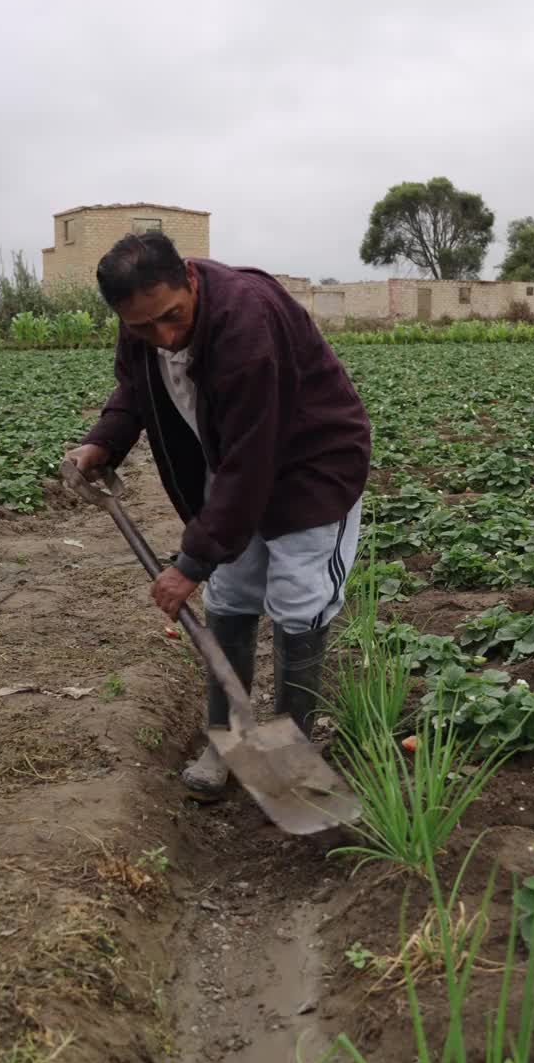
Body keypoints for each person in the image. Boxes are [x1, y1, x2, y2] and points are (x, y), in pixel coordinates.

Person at [66, 234, 371, 797]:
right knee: (230, 595)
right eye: (142, 327)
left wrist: (191, 561)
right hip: (232, 458)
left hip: (311, 468)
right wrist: (101, 443)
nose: (163, 337)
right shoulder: (142, 315)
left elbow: (255, 459)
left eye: (171, 318)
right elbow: (136, 388)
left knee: (299, 600)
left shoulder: (247, 323)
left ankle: (292, 751)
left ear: (190, 278)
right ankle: (228, 738)